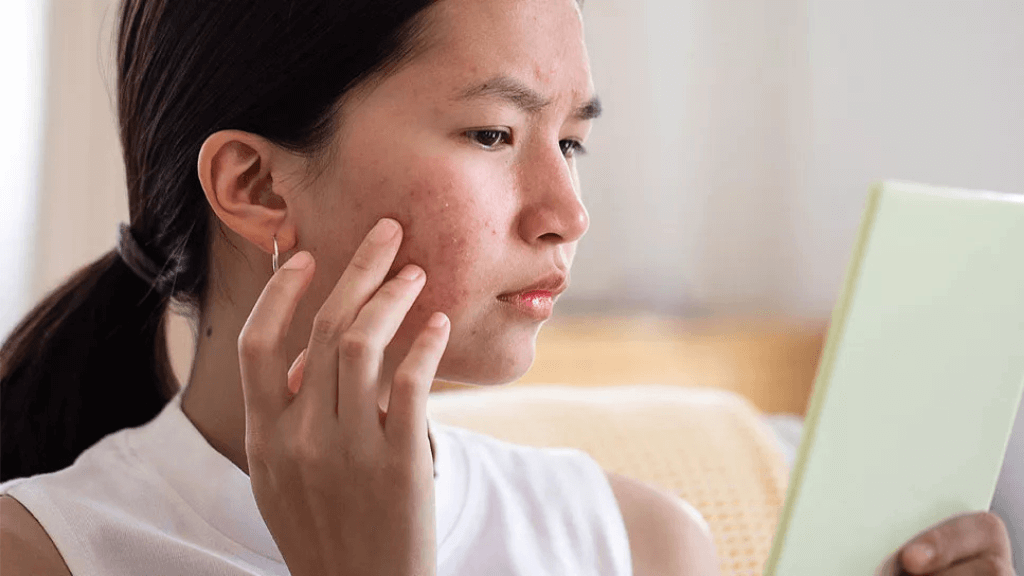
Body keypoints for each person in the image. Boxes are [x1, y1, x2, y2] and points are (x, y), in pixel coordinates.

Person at [0, 0, 1015, 574]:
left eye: (570, 141)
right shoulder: (42, 554)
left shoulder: (641, 544)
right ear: (256, 184)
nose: (567, 211)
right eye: (494, 133)